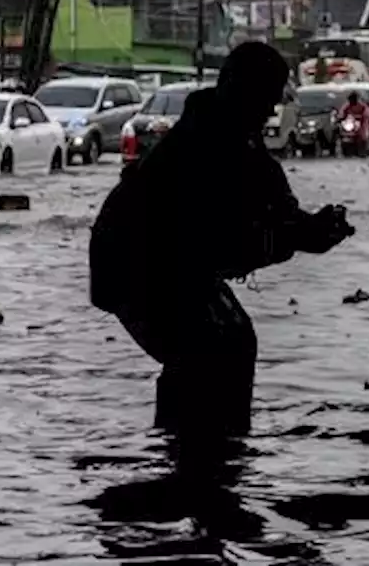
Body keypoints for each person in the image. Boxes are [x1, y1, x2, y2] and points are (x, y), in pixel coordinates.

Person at [89, 42, 355, 442]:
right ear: (240, 88)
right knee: (213, 350)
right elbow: (232, 227)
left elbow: (272, 212)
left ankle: (201, 455)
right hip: (139, 265)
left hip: (167, 266)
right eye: (265, 96)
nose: (269, 109)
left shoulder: (234, 134)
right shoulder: (208, 139)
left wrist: (307, 230)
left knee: (226, 345)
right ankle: (198, 459)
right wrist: (300, 234)